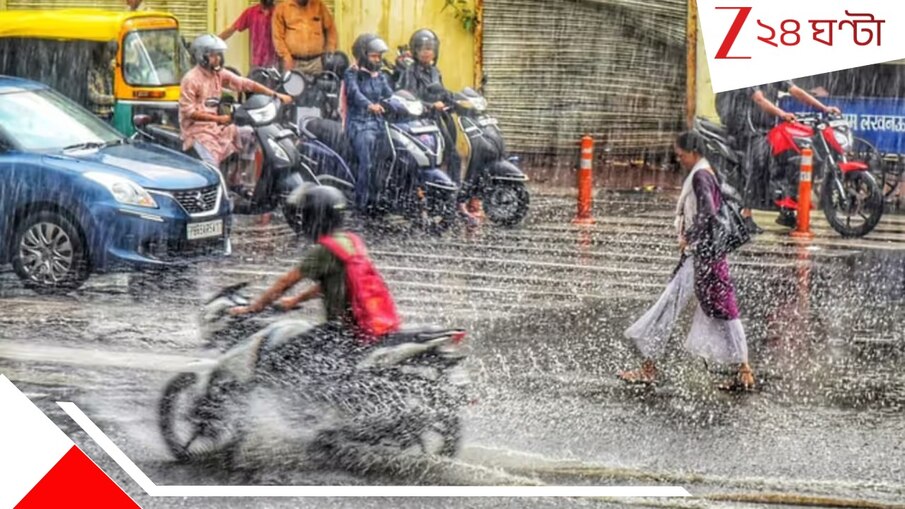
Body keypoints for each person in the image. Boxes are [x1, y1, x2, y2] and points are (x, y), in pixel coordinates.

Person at [618, 132, 755, 392]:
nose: (679, 159)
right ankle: (743, 371)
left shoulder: (701, 175)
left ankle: (650, 369)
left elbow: (708, 213)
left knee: (679, 308)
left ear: (693, 152)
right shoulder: (706, 171)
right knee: (721, 309)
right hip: (704, 255)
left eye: (681, 155)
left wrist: (689, 237)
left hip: (701, 255)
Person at [230, 185, 396, 364]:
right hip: (373, 326)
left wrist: (253, 308)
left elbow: (286, 282)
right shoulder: (350, 241)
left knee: (280, 354)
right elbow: (336, 282)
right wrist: (296, 300)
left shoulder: (324, 250)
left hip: (344, 332)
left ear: (313, 217)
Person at [716, 81, 841, 230]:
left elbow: (796, 91)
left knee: (790, 157)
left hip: (769, 128)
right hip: (749, 129)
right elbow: (759, 99)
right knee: (759, 162)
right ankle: (746, 213)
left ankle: (786, 209)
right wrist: (782, 114)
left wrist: (824, 108)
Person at [396, 28, 480, 224]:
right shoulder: (410, 72)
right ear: (415, 51)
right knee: (428, 163)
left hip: (438, 121)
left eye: (430, 49)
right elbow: (409, 99)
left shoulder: (435, 71)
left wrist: (464, 100)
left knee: (454, 158)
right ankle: (424, 202)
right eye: (423, 49)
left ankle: (456, 201)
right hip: (420, 124)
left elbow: (443, 93)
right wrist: (429, 106)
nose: (427, 53)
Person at [178, 34, 291, 167]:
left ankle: (238, 179)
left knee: (251, 136)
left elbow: (245, 84)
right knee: (211, 166)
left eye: (219, 55)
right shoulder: (191, 79)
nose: (218, 59)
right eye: (213, 55)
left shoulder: (218, 74)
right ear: (201, 56)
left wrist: (275, 95)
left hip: (218, 128)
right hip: (198, 132)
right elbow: (188, 112)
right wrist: (218, 119)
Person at [344, 34, 394, 212]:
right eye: (374, 56)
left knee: (389, 159)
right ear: (363, 54)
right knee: (367, 163)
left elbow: (390, 94)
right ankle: (362, 202)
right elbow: (354, 94)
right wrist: (369, 105)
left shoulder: (379, 75)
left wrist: (401, 102)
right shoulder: (352, 73)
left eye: (379, 56)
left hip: (380, 124)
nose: (377, 59)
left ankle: (381, 198)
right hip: (359, 124)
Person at [272, 0, 338, 75]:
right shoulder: (282, 8)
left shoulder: (319, 6)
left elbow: (331, 29)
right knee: (294, 86)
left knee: (318, 86)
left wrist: (329, 51)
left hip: (316, 63)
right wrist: (286, 57)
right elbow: (278, 37)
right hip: (294, 62)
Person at [219, 0, 278, 70]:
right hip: (256, 64)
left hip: (276, 64)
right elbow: (232, 29)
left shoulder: (280, 13)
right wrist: (214, 42)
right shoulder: (251, 12)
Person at [87, 42, 116, 123]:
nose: (109, 55)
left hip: (111, 113)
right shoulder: (93, 72)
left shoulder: (108, 71)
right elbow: (92, 95)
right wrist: (111, 99)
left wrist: (114, 72)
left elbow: (116, 87)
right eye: (107, 52)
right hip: (99, 115)